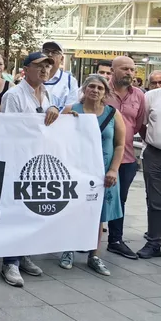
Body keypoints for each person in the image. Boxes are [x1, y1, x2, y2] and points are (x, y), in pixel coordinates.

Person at [0, 51, 62, 287]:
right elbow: (9, 129)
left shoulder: (49, 94)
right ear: (26, 69)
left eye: (48, 66)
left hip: (39, 160)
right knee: (15, 211)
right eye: (39, 66)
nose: (45, 69)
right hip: (18, 160)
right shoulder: (14, 95)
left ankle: (24, 254)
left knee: (31, 210)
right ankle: (10, 262)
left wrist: (56, 110)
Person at [60, 75, 124, 275]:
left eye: (100, 88)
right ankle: (68, 250)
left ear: (105, 92)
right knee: (72, 211)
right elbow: (58, 138)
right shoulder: (71, 110)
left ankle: (94, 255)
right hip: (76, 170)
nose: (95, 90)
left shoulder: (113, 114)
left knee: (99, 215)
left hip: (104, 172)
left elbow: (120, 144)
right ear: (84, 89)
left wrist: (113, 169)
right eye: (91, 86)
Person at [105, 55, 145, 261]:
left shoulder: (139, 95)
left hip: (127, 158)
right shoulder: (101, 90)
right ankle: (86, 238)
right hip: (100, 156)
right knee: (93, 197)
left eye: (132, 69)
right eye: (124, 69)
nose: (129, 73)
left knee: (119, 199)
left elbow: (138, 124)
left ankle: (115, 240)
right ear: (113, 70)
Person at [138, 76, 161, 259]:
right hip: (155, 154)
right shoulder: (153, 96)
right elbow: (141, 123)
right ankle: (154, 243)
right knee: (155, 201)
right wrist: (151, 139)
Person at [42, 41, 79, 111]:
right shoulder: (33, 77)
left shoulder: (70, 81)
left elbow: (71, 107)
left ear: (61, 59)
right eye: (46, 51)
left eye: (55, 52)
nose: (49, 55)